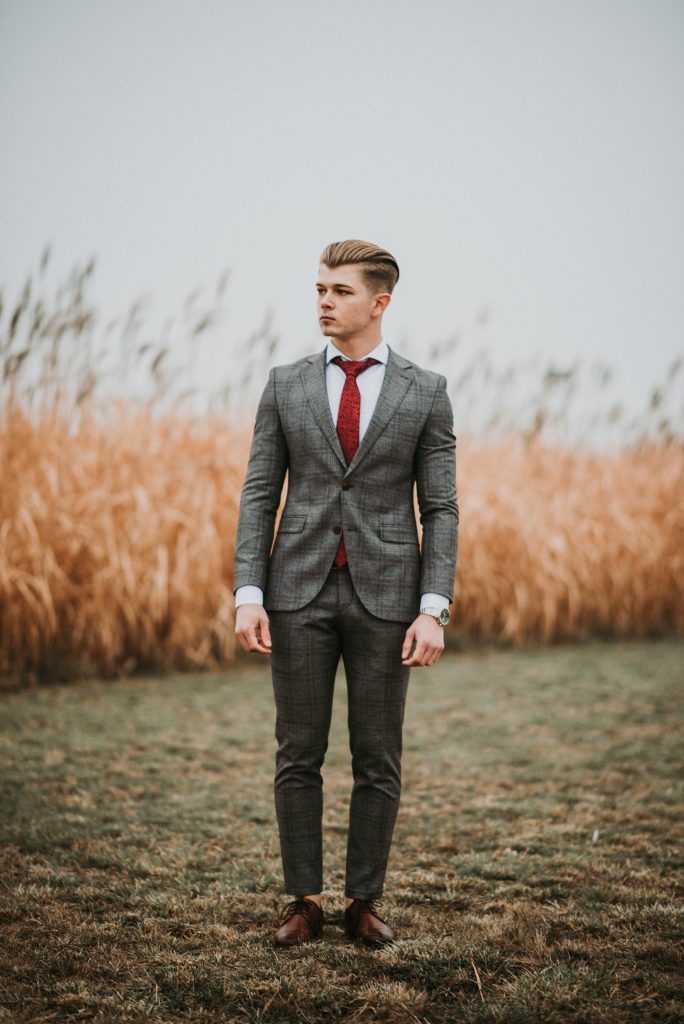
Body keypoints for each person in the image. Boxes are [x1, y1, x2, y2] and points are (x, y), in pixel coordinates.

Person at [233, 239, 458, 947]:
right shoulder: (286, 383)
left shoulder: (426, 391)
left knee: (377, 755)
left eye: (339, 291)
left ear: (379, 301)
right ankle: (303, 901)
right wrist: (248, 591)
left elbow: (442, 509)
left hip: (388, 600)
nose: (324, 302)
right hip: (296, 593)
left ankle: (364, 901)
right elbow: (259, 494)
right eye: (319, 290)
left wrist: (433, 607)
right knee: (297, 752)